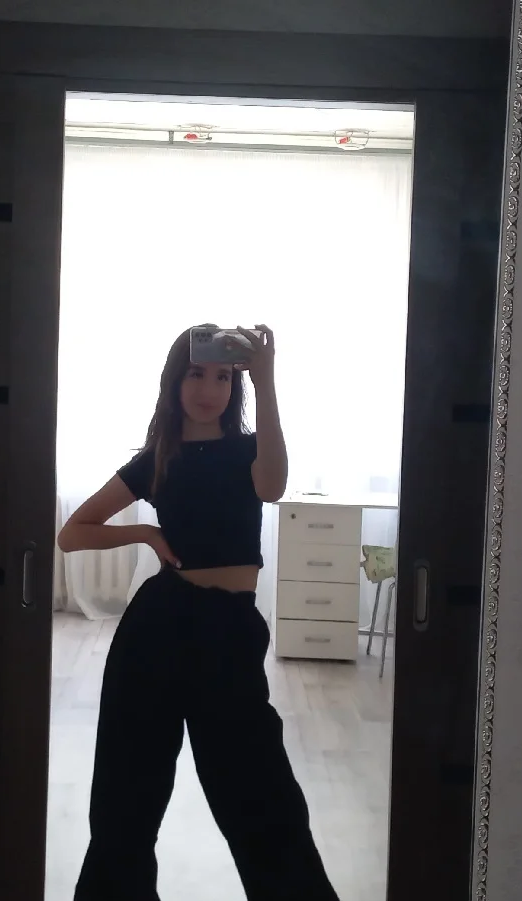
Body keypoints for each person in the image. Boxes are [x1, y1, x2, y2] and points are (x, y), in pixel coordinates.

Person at [58, 323, 339, 901]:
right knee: (126, 798)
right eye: (196, 373)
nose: (209, 389)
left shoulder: (248, 450)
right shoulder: (156, 459)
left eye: (223, 377)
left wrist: (266, 381)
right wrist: (145, 533)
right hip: (157, 630)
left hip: (228, 634)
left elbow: (273, 486)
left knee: (263, 796)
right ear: (175, 380)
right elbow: (72, 533)